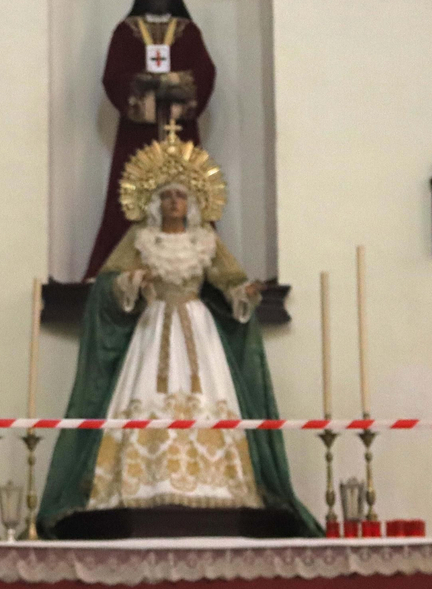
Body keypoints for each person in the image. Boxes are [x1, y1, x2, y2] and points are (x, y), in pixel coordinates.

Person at [39, 133, 319, 537]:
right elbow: (108, 284)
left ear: (192, 204)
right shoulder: (140, 239)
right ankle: (143, 483)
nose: (174, 202)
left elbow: (230, 281)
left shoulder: (206, 241)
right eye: (168, 195)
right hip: (152, 329)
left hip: (199, 332)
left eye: (181, 196)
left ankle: (217, 485)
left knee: (209, 400)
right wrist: (135, 280)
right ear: (155, 202)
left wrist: (246, 293)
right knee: (146, 402)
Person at [82, 0, 217, 280]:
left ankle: (198, 270)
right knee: (127, 199)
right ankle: (121, 272)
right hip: (136, 136)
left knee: (189, 192)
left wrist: (164, 85)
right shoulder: (126, 32)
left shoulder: (189, 32)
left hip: (180, 134)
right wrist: (155, 86)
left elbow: (205, 76)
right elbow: (114, 77)